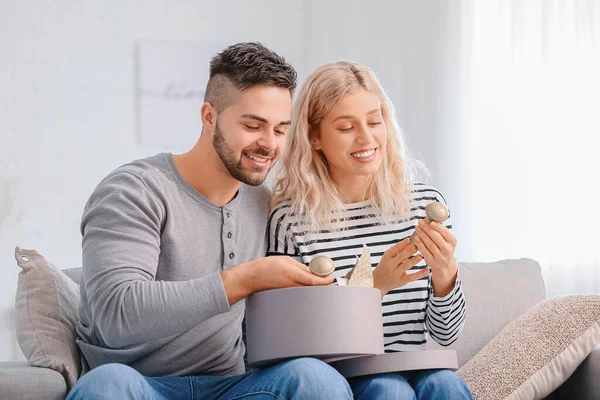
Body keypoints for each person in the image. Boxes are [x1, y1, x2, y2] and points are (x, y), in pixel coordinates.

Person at [67, 43, 353, 400]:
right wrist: (245, 279)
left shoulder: (264, 204)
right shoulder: (133, 191)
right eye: (253, 125)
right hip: (141, 386)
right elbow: (117, 315)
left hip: (231, 387)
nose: (269, 144)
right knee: (106, 386)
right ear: (209, 117)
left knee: (315, 378)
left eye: (280, 130)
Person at [268, 61, 472, 399]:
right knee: (389, 390)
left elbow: (447, 335)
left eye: (375, 122)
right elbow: (290, 340)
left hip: (418, 365)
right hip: (344, 374)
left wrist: (445, 272)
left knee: (447, 384)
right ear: (314, 136)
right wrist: (376, 286)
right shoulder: (290, 220)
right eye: (346, 127)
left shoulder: (424, 204)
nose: (366, 138)